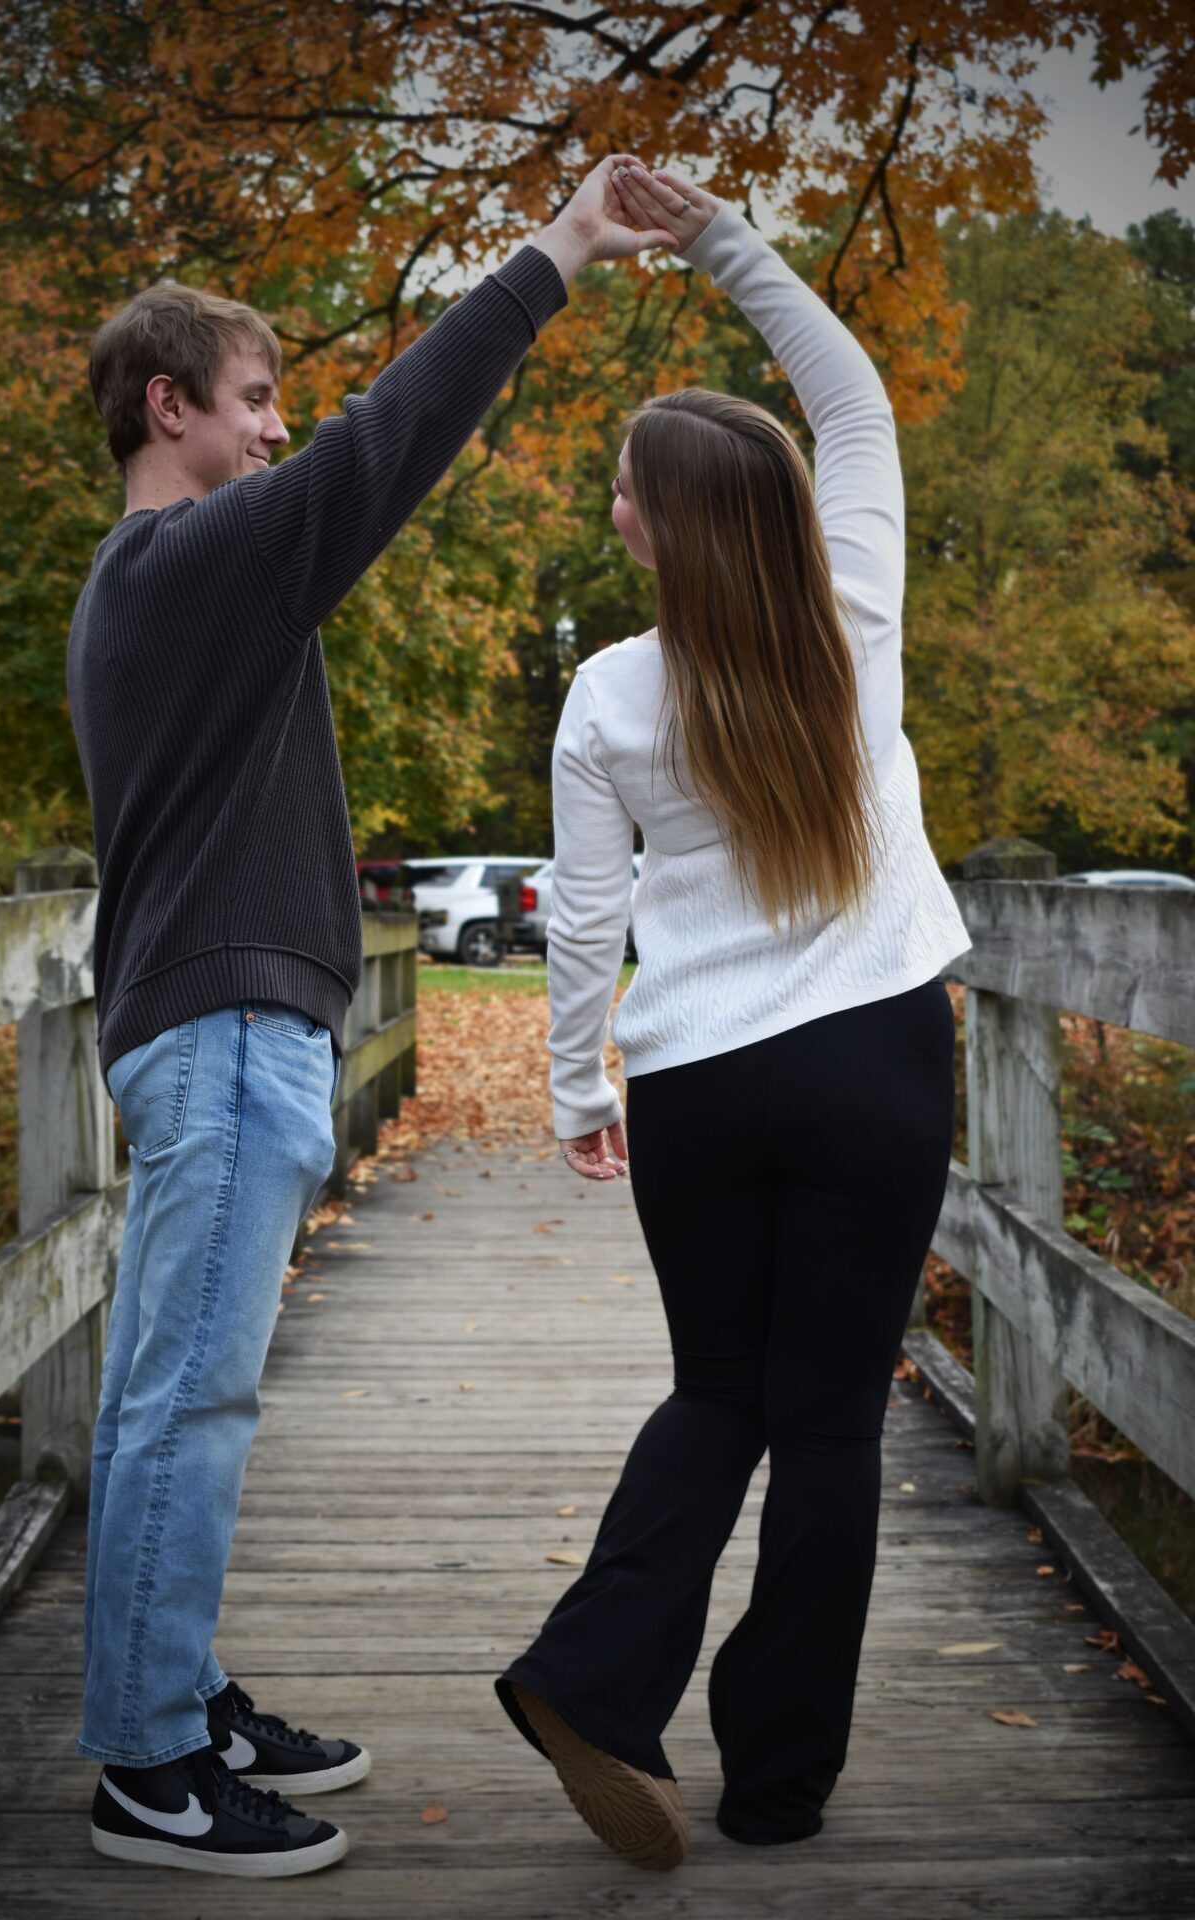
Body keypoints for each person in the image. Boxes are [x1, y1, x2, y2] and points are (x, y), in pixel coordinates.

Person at [66, 155, 681, 1881]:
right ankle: (147, 1769)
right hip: (224, 1035)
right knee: (188, 1402)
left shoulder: (164, 586)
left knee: (173, 1397)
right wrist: (557, 249)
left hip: (224, 1029)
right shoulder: (185, 562)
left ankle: (170, 1695)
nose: (280, 430)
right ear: (171, 406)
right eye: (255, 402)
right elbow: (383, 447)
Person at [496, 164, 972, 1872]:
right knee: (831, 1425)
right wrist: (717, 239)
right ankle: (777, 1791)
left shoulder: (610, 692)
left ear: (656, 525)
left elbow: (590, 919)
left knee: (719, 1394)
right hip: (874, 1063)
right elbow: (845, 391)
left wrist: (572, 1091)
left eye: (624, 487)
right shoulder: (854, 611)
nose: (615, 504)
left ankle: (593, 1679)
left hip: (702, 1082)